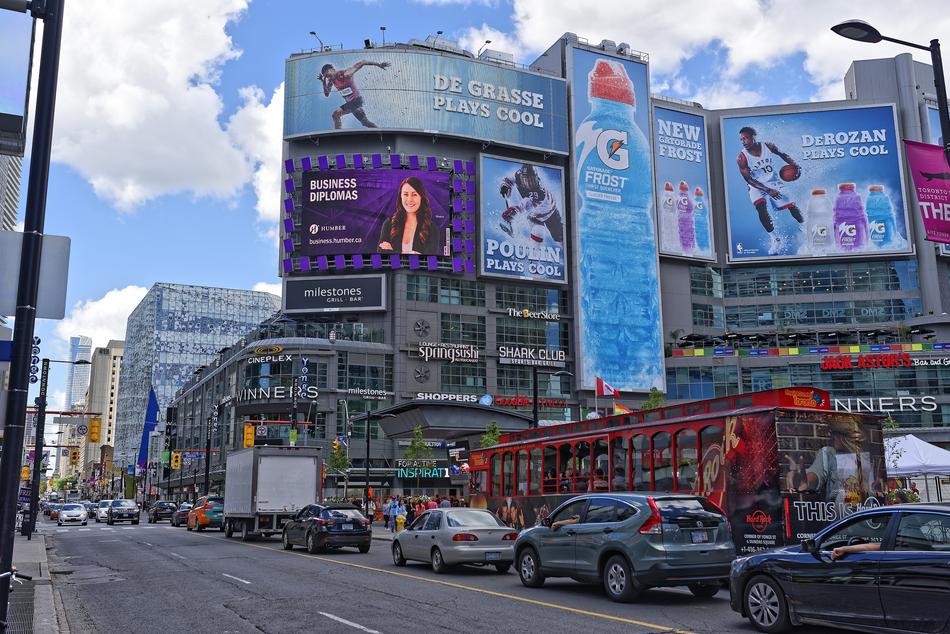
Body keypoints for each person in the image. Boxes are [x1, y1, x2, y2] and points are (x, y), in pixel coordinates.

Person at [736, 126, 805, 254]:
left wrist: (795, 165)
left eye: (745, 138)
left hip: (773, 182)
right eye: (741, 139)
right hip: (756, 185)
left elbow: (783, 155)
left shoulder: (768, 146)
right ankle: (775, 239)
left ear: (753, 137)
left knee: (792, 206)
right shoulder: (741, 158)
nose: (743, 141)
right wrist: (767, 190)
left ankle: (805, 226)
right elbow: (748, 180)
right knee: (760, 207)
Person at [498, 163, 564, 244]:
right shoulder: (518, 175)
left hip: (550, 213)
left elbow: (528, 204)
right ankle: (535, 253)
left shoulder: (540, 191)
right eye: (527, 180)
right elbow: (510, 179)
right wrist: (505, 185)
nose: (529, 183)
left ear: (536, 178)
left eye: (532, 180)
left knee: (560, 238)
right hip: (533, 214)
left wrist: (516, 210)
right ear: (522, 178)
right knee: (538, 231)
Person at [318, 60, 391, 129]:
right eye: (326, 77)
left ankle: (338, 135)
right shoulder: (331, 81)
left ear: (333, 69)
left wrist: (379, 64)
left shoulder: (345, 74)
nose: (328, 78)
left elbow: (362, 62)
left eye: (328, 75)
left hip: (357, 101)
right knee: (365, 123)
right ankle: (380, 131)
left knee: (335, 114)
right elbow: (327, 94)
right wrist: (323, 81)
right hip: (351, 104)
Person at [378, 177, 439, 254]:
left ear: (421, 197)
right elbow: (380, 252)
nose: (409, 199)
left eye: (414, 194)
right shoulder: (389, 223)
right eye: (406, 194)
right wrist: (409, 254)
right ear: (401, 196)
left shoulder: (432, 229)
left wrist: (392, 251)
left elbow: (429, 260)